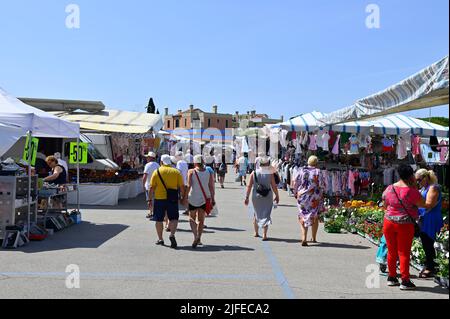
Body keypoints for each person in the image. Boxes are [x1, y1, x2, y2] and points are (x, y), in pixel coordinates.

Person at [382, 164, 430, 290]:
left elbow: (385, 204)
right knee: (403, 252)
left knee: (391, 251)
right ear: (411, 175)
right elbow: (423, 204)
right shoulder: (411, 191)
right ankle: (405, 280)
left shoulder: (390, 188)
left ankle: (392, 277)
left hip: (388, 222)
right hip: (404, 224)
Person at [148, 155, 186, 249]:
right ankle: (172, 234)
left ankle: (160, 239)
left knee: (159, 219)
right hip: (172, 198)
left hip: (159, 198)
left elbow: (152, 187)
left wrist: (149, 199)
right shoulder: (176, 172)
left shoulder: (157, 171)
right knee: (174, 218)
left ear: (161, 162)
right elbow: (182, 186)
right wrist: (182, 197)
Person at [415, 168, 443, 278]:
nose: (417, 182)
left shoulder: (433, 188)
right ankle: (430, 265)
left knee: (429, 243)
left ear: (426, 178)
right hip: (424, 219)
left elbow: (429, 204)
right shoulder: (424, 188)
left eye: (419, 179)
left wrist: (415, 202)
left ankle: (432, 268)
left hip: (431, 218)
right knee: (426, 243)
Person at [244, 156, 279, 241]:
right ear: (268, 164)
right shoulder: (270, 174)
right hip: (267, 195)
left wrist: (247, 197)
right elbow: (274, 186)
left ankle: (256, 232)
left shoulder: (254, 173)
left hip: (256, 195)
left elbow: (249, 186)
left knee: (256, 213)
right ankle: (264, 234)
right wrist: (277, 195)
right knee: (266, 214)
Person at [184, 155, 215, 248]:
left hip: (193, 198)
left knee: (191, 218)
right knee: (201, 220)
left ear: (195, 162)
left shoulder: (191, 171)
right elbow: (211, 186)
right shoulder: (208, 172)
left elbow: (189, 185)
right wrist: (213, 198)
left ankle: (195, 236)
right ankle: (199, 238)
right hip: (204, 198)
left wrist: (184, 197)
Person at [293, 155, 325, 246]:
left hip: (302, 196)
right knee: (314, 215)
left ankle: (304, 237)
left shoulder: (301, 170)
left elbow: (295, 182)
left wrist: (295, 192)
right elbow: (322, 184)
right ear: (316, 163)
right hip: (314, 197)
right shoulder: (318, 172)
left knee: (303, 215)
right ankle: (314, 238)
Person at [143, 152, 160, 219]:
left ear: (150, 158)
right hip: (157, 185)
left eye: (147, 157)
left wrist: (143, 185)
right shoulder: (157, 165)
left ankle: (151, 212)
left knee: (149, 200)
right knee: (156, 199)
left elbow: (145, 175)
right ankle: (155, 212)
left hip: (149, 185)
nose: (147, 158)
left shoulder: (148, 165)